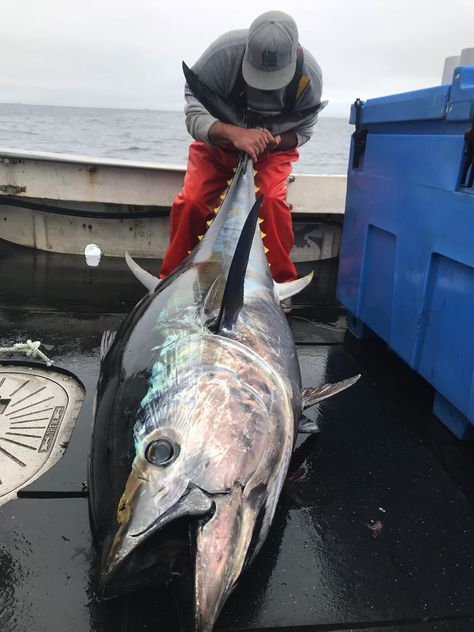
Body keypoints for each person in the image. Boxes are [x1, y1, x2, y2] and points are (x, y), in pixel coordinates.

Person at [159, 10, 323, 284]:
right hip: (219, 143)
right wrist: (234, 133)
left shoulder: (309, 77)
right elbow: (194, 113)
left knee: (270, 202)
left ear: (295, 52)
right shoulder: (222, 55)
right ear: (247, 48)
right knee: (192, 202)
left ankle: (278, 288)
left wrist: (275, 141)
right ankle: (170, 283)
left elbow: (304, 131)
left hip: (270, 151)